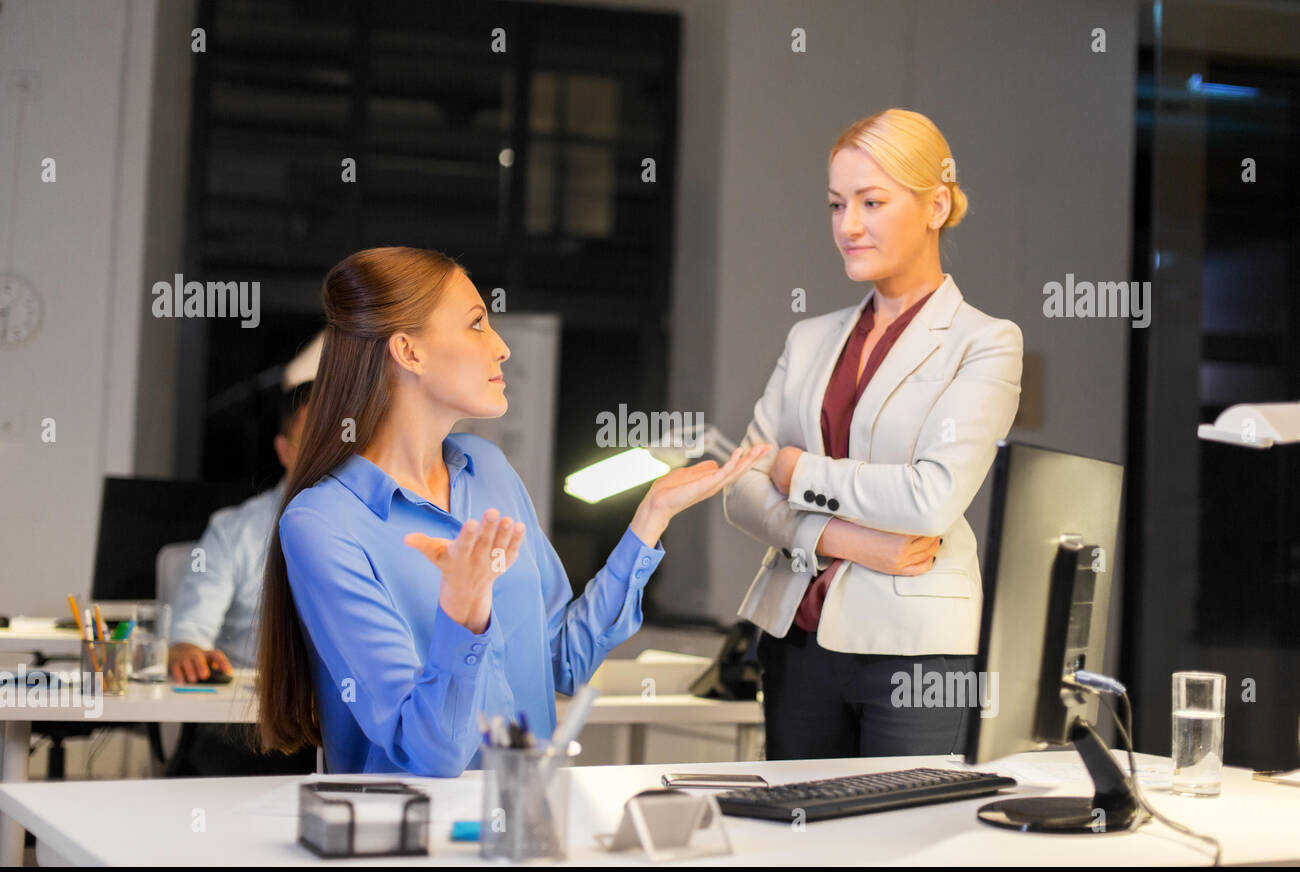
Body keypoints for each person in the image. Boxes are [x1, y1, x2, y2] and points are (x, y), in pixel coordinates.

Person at [255, 246, 767, 775]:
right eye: (477, 324)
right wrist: (465, 613)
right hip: (414, 839)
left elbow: (562, 662)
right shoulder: (322, 524)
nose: (500, 348)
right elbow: (429, 752)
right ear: (409, 352)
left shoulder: (488, 467)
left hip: (528, 827)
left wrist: (651, 517)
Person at [722, 108, 1023, 760]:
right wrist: (843, 538)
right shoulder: (809, 339)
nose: (848, 226)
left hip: (916, 651)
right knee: (798, 849)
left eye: (872, 202)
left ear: (935, 205)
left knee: (900, 847)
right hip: (797, 640)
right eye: (836, 205)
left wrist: (798, 472)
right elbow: (741, 489)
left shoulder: (985, 343)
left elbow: (932, 500)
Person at [165, 334, 322, 775]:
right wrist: (187, 650)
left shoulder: (372, 527)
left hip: (338, 724)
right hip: (248, 728)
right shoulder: (234, 529)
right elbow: (190, 629)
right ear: (284, 450)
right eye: (310, 440)